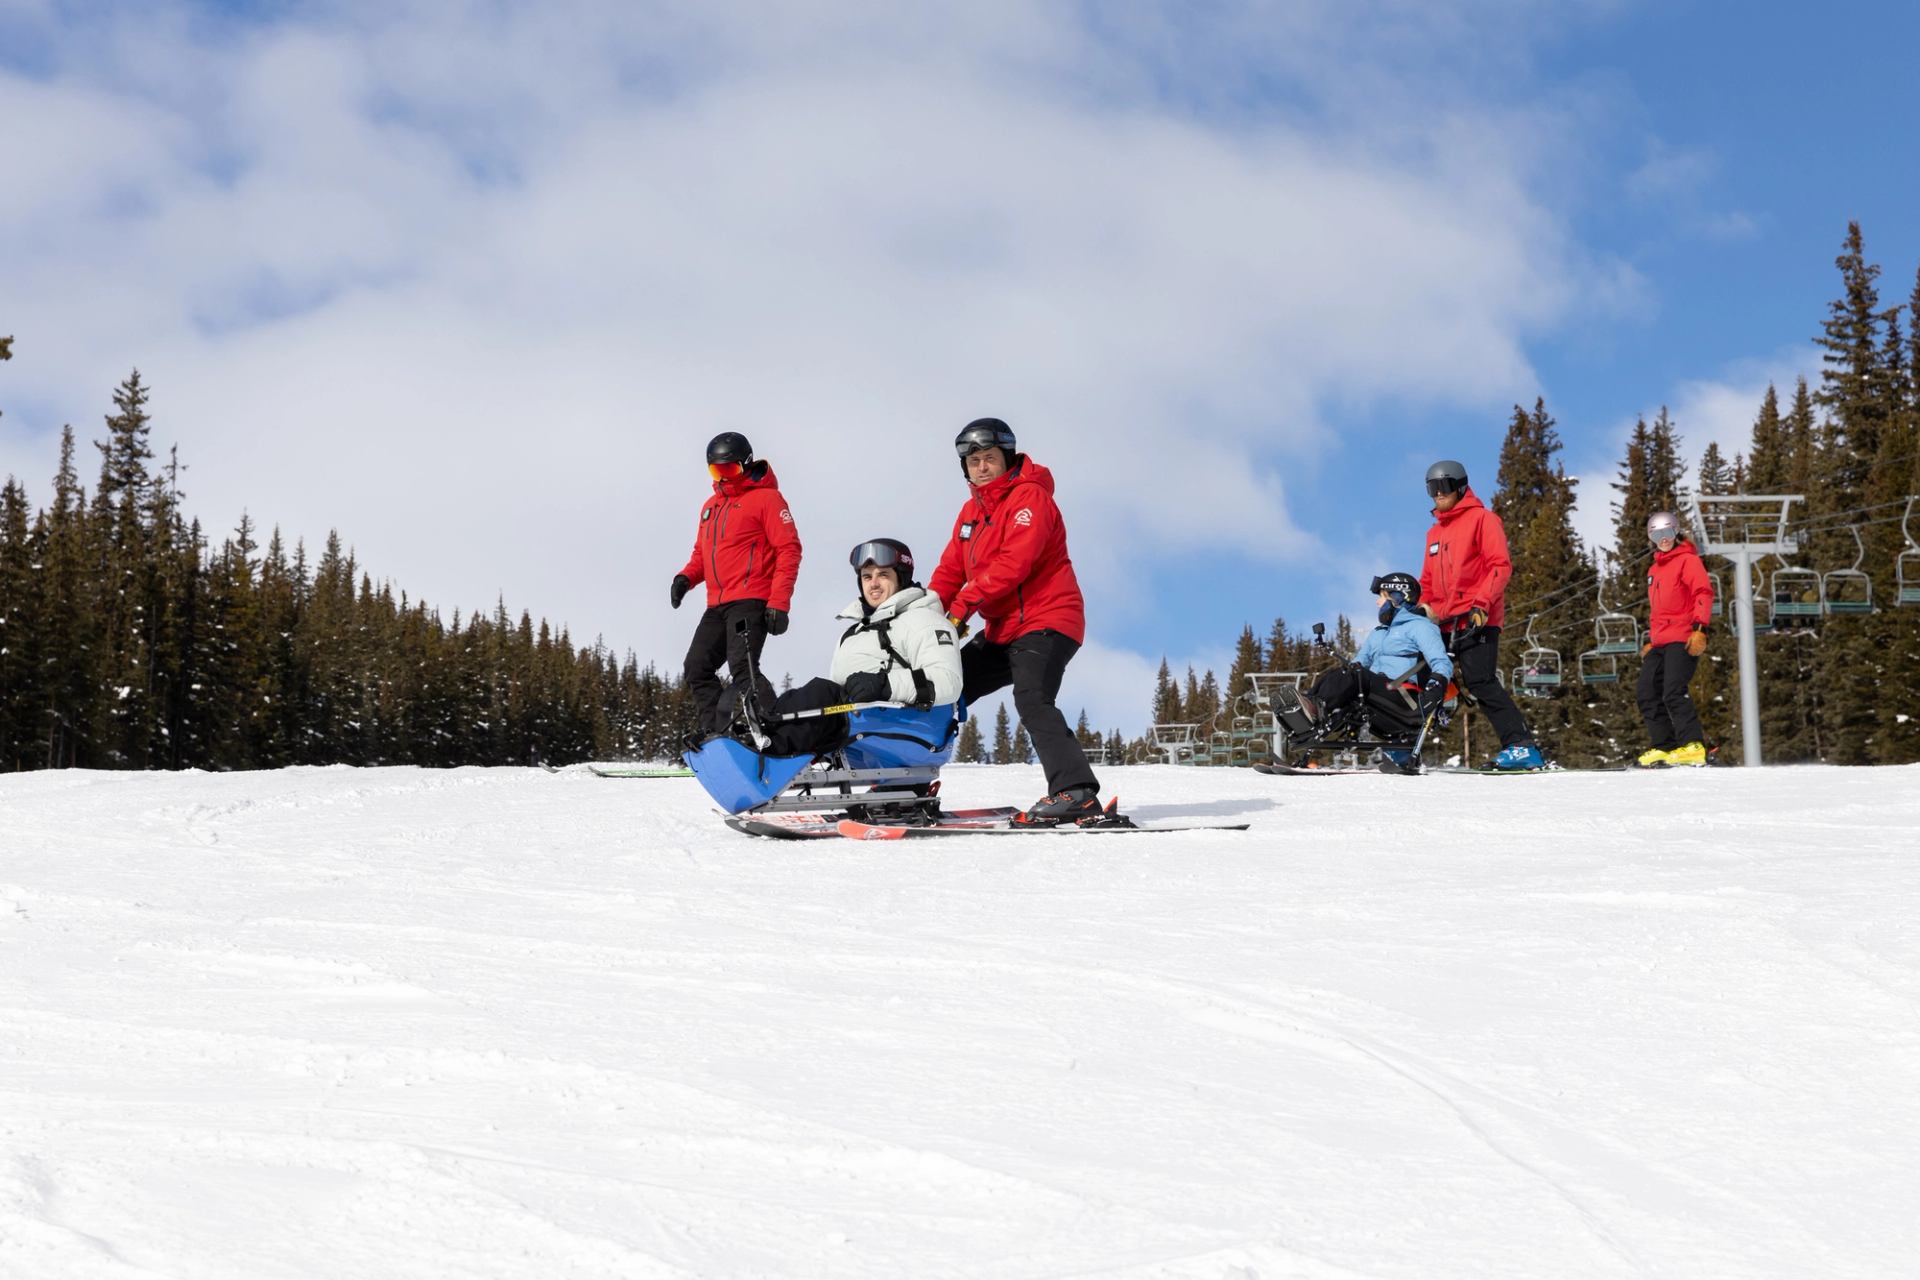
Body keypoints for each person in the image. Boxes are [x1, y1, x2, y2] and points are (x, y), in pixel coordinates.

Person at [928, 417, 1104, 824]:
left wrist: (962, 606)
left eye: (990, 458)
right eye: (974, 462)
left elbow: (1014, 564)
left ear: (1006, 458)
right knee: (944, 688)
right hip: (1003, 630)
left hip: (1048, 618)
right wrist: (925, 613)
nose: (982, 467)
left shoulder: (1030, 498)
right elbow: (950, 570)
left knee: (1031, 697)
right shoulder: (971, 512)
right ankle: (908, 783)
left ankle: (1075, 791)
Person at [671, 432, 802, 736]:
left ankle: (778, 733)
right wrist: (686, 578)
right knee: (697, 667)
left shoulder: (767, 499)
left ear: (745, 464)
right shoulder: (710, 507)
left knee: (742, 667)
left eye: (729, 470)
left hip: (751, 599)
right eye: (716, 471)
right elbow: (702, 554)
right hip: (717, 604)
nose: (723, 478)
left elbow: (789, 549)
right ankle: (718, 734)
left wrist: (779, 603)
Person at [1418, 459, 1544, 770]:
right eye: (1431, 488)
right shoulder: (1433, 534)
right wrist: (1419, 608)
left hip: (1477, 617)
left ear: (1460, 487)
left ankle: (1521, 746)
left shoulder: (1483, 520)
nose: (1437, 494)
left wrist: (1482, 604)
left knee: (1480, 680)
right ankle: (1410, 738)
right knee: (1425, 672)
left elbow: (1499, 566)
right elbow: (1427, 581)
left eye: (1443, 487)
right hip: (1444, 620)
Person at [1270, 573, 1454, 768]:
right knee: (1344, 673)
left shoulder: (1420, 627)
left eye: (1381, 596)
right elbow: (1358, 665)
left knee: (1355, 675)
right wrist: (1345, 676)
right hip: (1380, 695)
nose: (1377, 603)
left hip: (1405, 698)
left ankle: (1313, 709)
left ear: (1397, 598)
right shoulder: (1379, 633)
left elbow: (1441, 661)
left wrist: (1436, 687)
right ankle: (1306, 711)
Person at [1636, 511, 1715, 767]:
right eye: (1657, 534)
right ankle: (1665, 746)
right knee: (1646, 692)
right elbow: (1658, 610)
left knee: (1673, 690)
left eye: (1667, 533)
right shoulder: (1654, 569)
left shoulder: (1688, 561)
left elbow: (1702, 591)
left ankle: (1693, 744)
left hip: (1683, 636)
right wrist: (1651, 638)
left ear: (1676, 532)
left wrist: (1699, 628)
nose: (1663, 539)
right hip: (1660, 640)